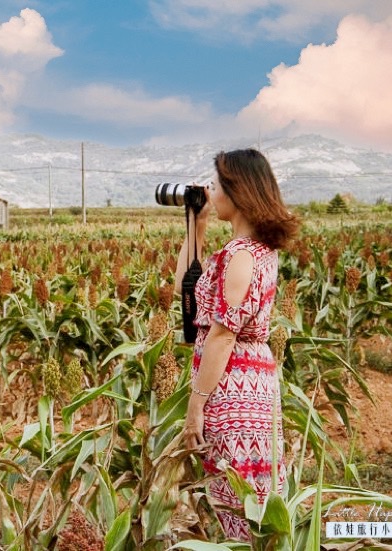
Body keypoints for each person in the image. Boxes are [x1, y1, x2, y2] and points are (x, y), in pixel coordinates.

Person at [173, 148, 300, 541]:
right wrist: (197, 225)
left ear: (237, 191)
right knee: (250, 500)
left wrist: (196, 404)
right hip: (248, 382)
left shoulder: (241, 256)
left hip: (232, 389)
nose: (211, 190)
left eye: (216, 184)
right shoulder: (249, 251)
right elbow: (184, 289)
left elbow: (223, 335)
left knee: (240, 504)